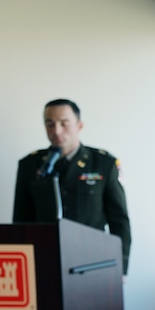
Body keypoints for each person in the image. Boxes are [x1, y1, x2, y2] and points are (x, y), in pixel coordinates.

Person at [13, 99, 132, 274]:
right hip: (44, 263)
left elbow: (119, 221)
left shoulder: (103, 164)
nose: (57, 131)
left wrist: (121, 268)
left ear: (79, 125)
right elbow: (20, 221)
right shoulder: (30, 165)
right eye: (50, 124)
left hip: (93, 262)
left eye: (64, 123)